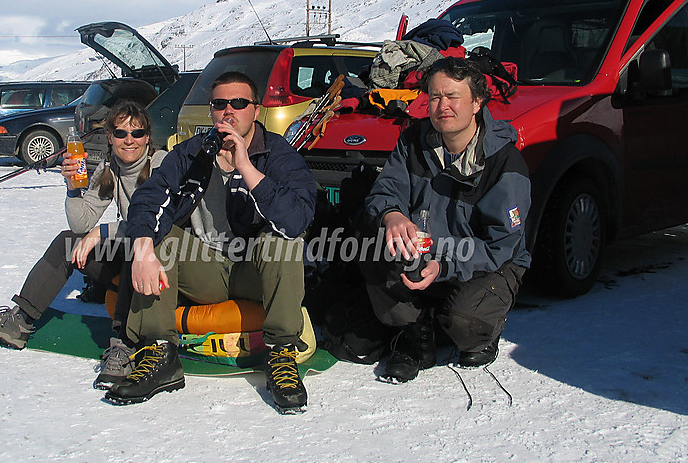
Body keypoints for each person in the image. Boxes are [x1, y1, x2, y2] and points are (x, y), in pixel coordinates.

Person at [103, 71, 317, 413]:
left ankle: (280, 354)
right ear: (211, 110)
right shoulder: (192, 152)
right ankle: (160, 353)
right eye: (220, 104)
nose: (228, 111)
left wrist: (245, 165)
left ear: (256, 110)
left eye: (239, 103)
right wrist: (142, 247)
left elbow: (296, 219)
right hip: (207, 269)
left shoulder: (277, 153)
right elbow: (149, 198)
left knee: (282, 239)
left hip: (255, 272)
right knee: (158, 237)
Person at [0, 100, 166, 390]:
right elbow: (81, 225)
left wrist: (103, 232)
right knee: (66, 242)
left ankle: (123, 346)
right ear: (110, 137)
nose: (129, 141)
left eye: (137, 133)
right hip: (125, 248)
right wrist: (74, 189)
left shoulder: (160, 165)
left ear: (148, 136)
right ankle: (20, 321)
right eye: (121, 134)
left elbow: (160, 226)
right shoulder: (110, 168)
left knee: (132, 252)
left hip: (162, 257)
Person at [359, 56, 531, 382]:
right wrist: (392, 215)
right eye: (436, 96)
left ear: (477, 102)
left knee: (465, 326)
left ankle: (480, 328)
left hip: (484, 261)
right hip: (426, 250)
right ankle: (415, 335)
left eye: (453, 97)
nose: (443, 106)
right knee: (371, 238)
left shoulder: (503, 162)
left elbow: (500, 245)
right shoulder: (413, 142)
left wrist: (445, 265)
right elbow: (385, 192)